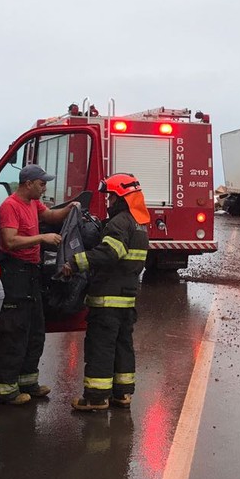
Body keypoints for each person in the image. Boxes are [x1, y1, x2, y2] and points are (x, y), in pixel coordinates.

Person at [61, 173, 150, 411]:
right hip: (126, 297)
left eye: (111, 196)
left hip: (108, 299)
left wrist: (76, 261)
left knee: (101, 346)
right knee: (123, 345)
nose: (108, 201)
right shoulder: (138, 223)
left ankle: (96, 398)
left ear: (121, 198)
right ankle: (122, 395)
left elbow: (110, 253)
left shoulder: (119, 222)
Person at [0, 165, 77, 404]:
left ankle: (27, 381)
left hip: (31, 273)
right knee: (14, 330)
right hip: (15, 273)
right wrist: (42, 238)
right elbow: (9, 241)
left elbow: (50, 216)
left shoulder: (32, 203)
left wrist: (70, 208)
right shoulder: (10, 206)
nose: (44, 188)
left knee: (34, 329)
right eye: (41, 184)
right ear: (28, 183)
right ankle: (5, 388)